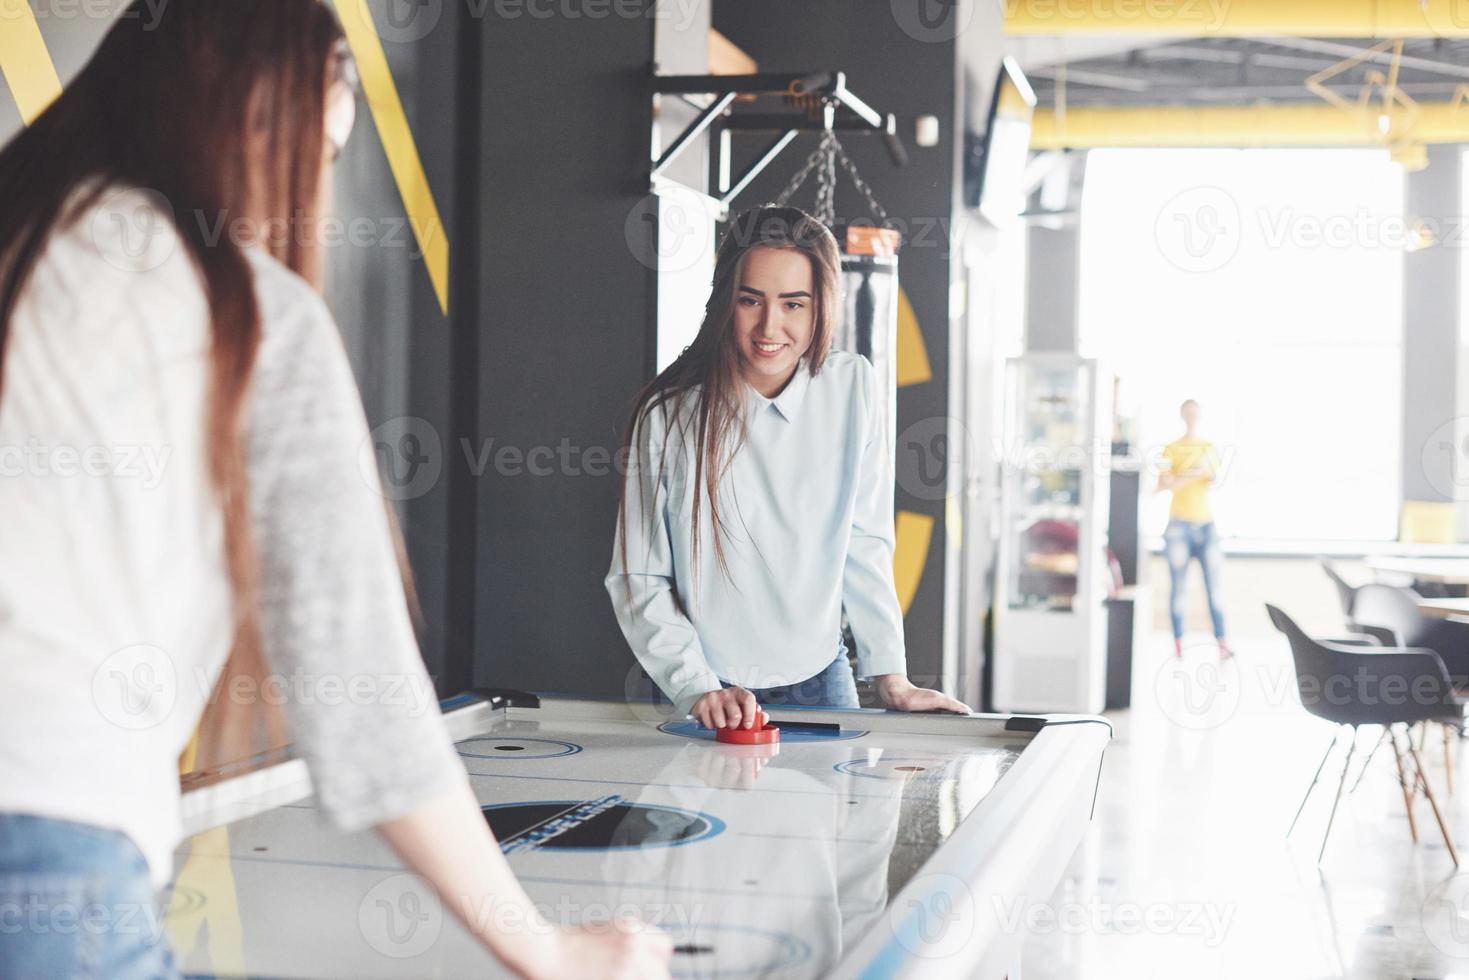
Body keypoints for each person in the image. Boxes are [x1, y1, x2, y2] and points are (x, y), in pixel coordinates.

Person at [0, 4, 671, 978]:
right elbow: (366, 695)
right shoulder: (247, 315)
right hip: (43, 845)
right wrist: (551, 950)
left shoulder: (26, 249)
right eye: (318, 152)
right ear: (253, 125)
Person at [606, 206, 970, 730]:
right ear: (724, 302)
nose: (769, 327)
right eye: (749, 300)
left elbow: (865, 540)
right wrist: (696, 688)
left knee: (831, 817)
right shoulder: (668, 414)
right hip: (704, 689)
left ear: (821, 307)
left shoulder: (853, 386)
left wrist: (891, 675)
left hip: (823, 679)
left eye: (792, 304)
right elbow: (637, 575)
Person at [1156, 399, 1231, 659]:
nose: (1191, 416)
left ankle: (1222, 643)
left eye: (1194, 412)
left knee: (1215, 590)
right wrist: (1193, 472)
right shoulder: (1170, 448)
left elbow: (1212, 476)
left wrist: (1183, 475)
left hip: (1206, 526)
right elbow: (1166, 484)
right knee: (1178, 589)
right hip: (1178, 526)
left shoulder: (1208, 446)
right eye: (1187, 412)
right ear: (1181, 415)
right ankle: (1177, 643)